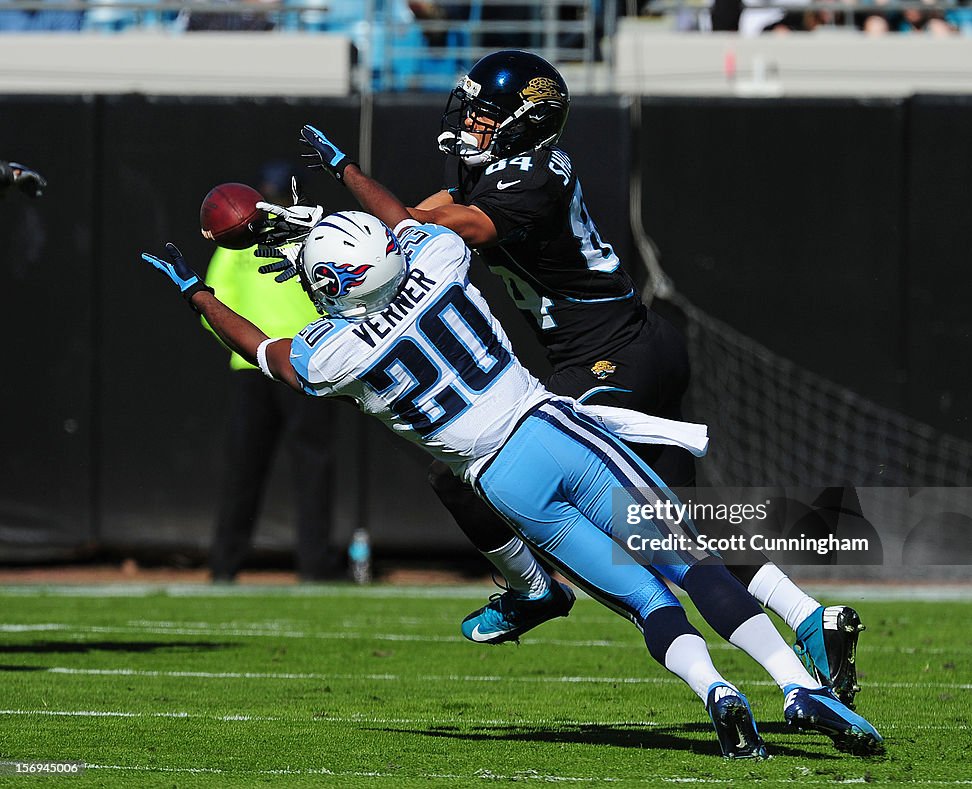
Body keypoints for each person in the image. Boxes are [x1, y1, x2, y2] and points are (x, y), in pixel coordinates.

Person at [141, 123, 883, 759]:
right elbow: (403, 222)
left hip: (500, 483)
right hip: (546, 428)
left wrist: (196, 294)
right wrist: (347, 171)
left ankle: (715, 689)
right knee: (684, 555)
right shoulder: (435, 262)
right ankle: (793, 684)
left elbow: (265, 345)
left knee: (640, 597)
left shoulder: (332, 353)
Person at [398, 49, 866, 710]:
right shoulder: (504, 171)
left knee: (479, 472)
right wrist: (349, 230)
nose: (471, 123)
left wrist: (375, 234)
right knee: (686, 521)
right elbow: (422, 215)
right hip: (632, 346)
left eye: (485, 114)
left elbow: (460, 225)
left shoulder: (530, 174)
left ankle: (535, 590)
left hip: (605, 360)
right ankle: (807, 615)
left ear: (525, 122)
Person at [202, 164, 340, 583]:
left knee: (306, 469)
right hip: (263, 364)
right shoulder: (235, 240)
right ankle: (226, 566)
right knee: (248, 468)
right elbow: (212, 304)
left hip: (303, 365)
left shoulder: (313, 236)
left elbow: (210, 303)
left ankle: (312, 567)